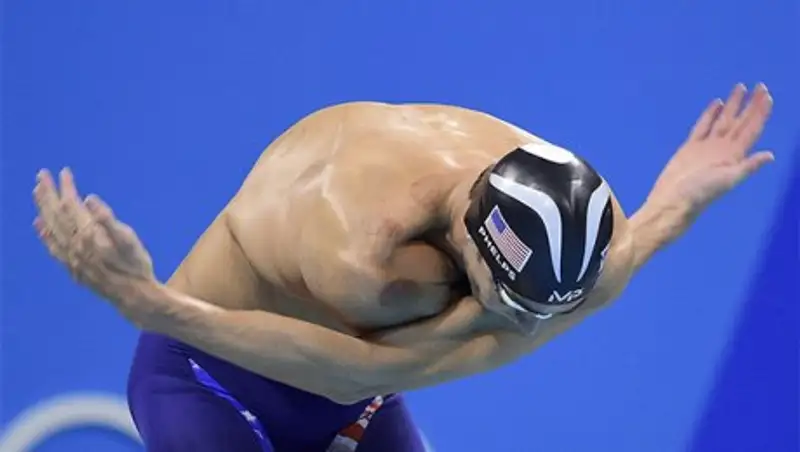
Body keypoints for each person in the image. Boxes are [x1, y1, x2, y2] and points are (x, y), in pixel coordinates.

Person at [32, 83, 773, 452]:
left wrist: (678, 196)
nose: (520, 326)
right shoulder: (368, 257)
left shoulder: (577, 224)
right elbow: (348, 371)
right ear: (470, 245)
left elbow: (621, 259)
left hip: (355, 393)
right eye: (506, 302)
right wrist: (156, 308)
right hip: (212, 374)